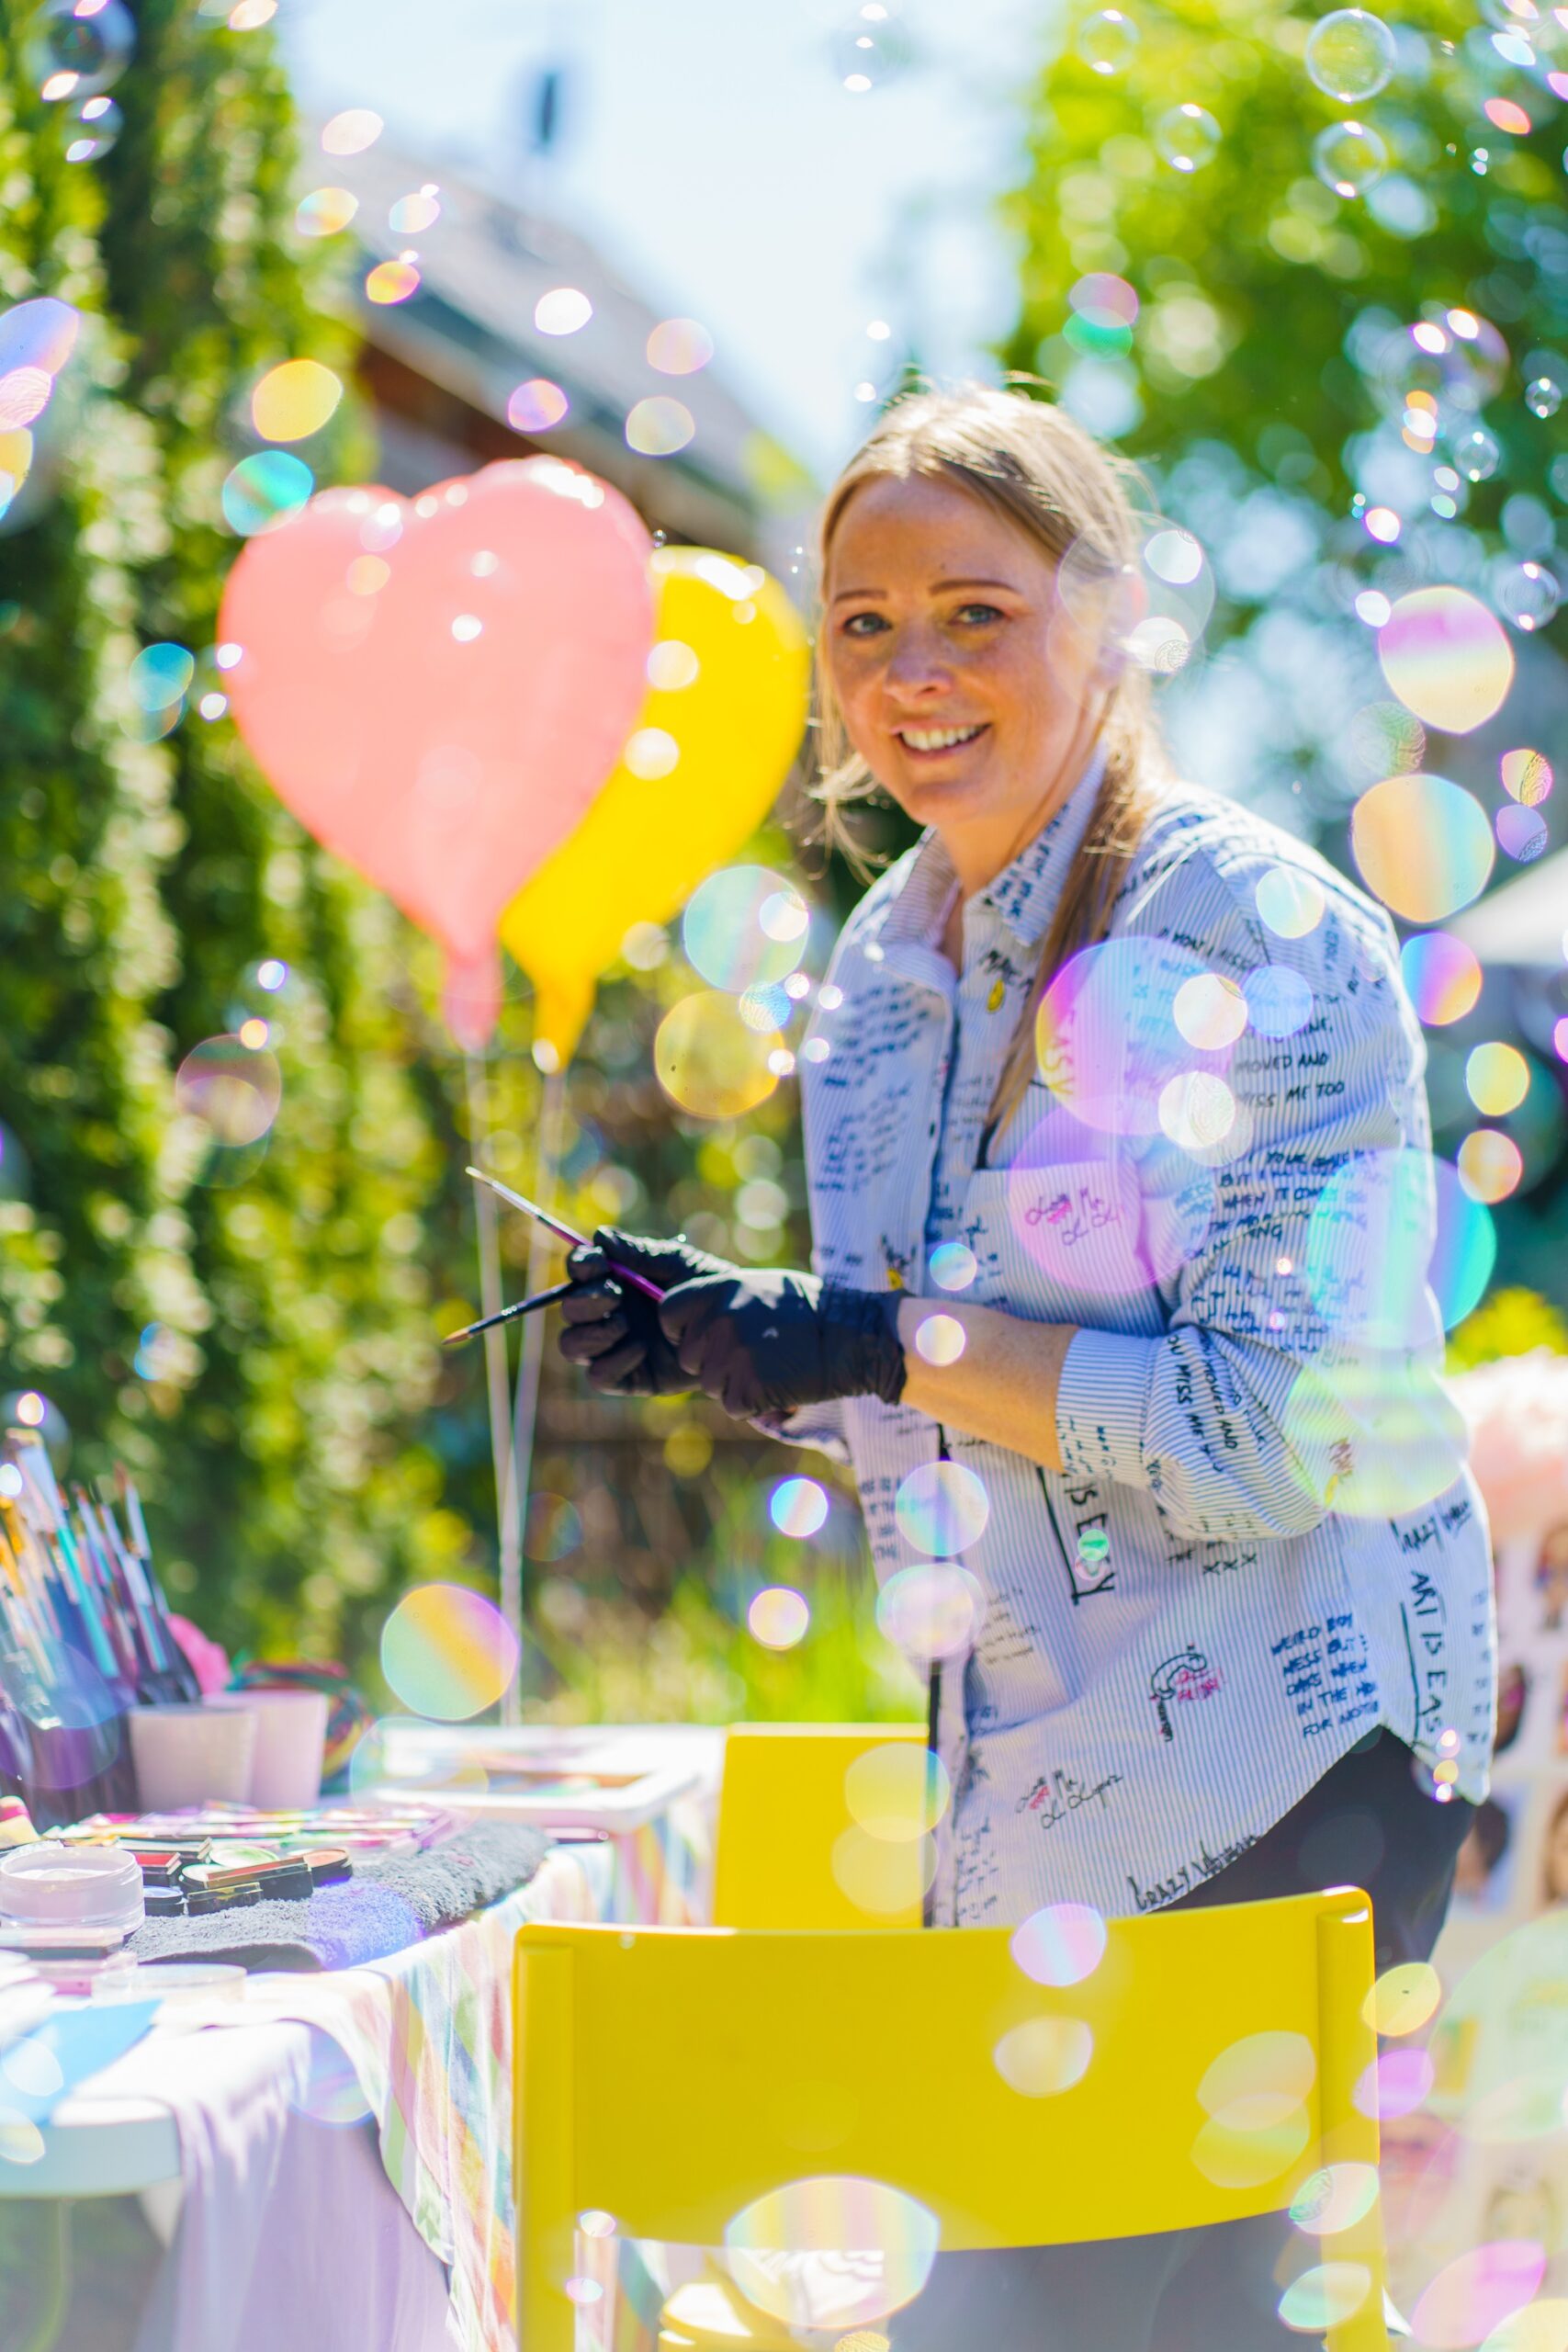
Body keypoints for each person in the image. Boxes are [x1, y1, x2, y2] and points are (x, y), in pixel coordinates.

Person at [559, 385, 1496, 2347]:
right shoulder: (885, 975)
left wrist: (873, 1334)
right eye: (861, 620)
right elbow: (950, 1395)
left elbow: (1253, 1441)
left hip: (1285, 1754)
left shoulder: (1251, 928)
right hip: (1041, 1775)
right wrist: (744, 1341)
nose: (910, 669)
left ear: (1105, 611)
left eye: (972, 610)